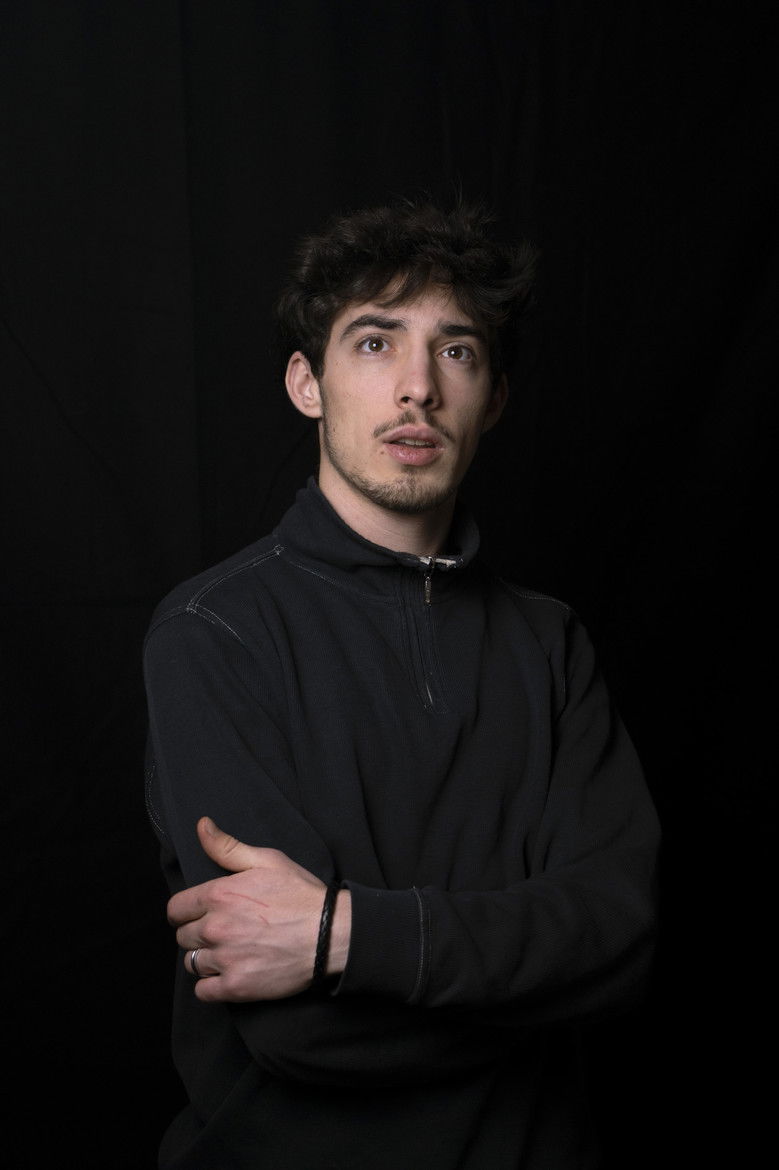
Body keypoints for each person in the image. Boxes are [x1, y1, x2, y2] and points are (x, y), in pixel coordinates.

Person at [143, 199, 660, 1169]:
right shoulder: (212, 634)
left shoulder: (550, 643)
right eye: (375, 342)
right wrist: (533, 985)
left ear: (492, 398)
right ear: (307, 383)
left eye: (456, 351)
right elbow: (300, 1032)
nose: (418, 387)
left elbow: (623, 948)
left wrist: (344, 937)